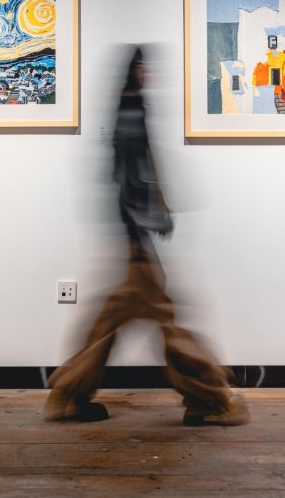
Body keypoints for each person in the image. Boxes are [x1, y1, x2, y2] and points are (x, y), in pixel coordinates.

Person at [44, 47, 249, 426]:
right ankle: (210, 400)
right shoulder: (131, 114)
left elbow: (131, 174)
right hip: (136, 239)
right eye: (142, 66)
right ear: (132, 70)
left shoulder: (130, 108)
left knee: (109, 322)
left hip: (133, 237)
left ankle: (69, 396)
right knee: (167, 320)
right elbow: (132, 178)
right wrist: (150, 221)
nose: (147, 73)